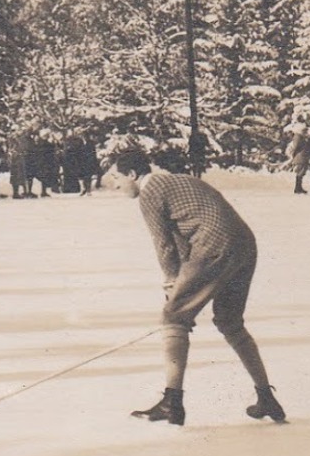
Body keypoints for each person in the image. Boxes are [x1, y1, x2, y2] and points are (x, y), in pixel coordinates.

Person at [110, 143, 285, 427]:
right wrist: (180, 283)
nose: (115, 186)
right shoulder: (177, 180)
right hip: (244, 245)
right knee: (230, 321)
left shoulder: (151, 192)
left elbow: (164, 246)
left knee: (174, 317)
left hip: (215, 245)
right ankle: (266, 396)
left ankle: (172, 402)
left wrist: (172, 288)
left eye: (116, 178)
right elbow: (182, 241)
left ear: (132, 173)